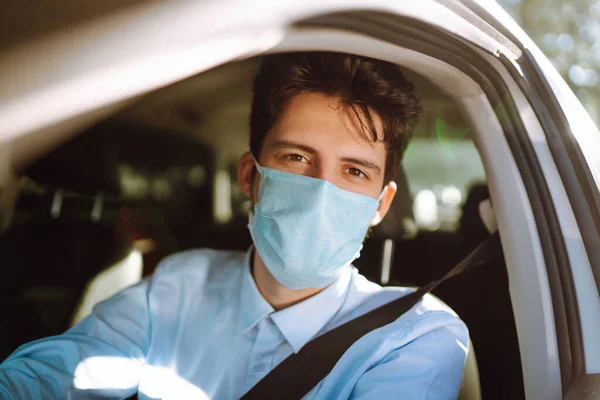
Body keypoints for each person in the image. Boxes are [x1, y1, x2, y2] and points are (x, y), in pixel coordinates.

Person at [0, 52, 469, 399]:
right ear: (251, 177)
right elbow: (53, 375)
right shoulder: (179, 285)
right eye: (297, 157)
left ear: (380, 206)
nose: (322, 192)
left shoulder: (415, 335)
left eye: (354, 171)